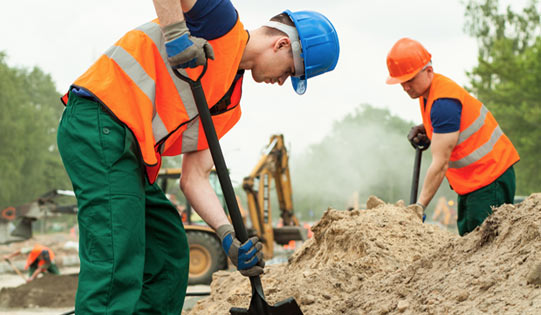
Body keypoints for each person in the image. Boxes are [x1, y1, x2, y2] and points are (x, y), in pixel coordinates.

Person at [57, 0, 340, 313]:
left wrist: (227, 235)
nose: (283, 80)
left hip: (128, 151)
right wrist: (178, 35)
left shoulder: (228, 106)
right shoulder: (220, 23)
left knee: (167, 248)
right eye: (290, 71)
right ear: (282, 44)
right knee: (116, 254)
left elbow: (194, 178)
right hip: (99, 121)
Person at [385, 38, 519, 236]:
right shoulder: (428, 95)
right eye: (401, 82)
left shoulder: (443, 103)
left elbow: (440, 164)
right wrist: (428, 129)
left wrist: (419, 207)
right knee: (469, 248)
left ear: (428, 71)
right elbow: (452, 126)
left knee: (483, 250)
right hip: (474, 182)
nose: (405, 87)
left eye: (410, 79)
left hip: (489, 178)